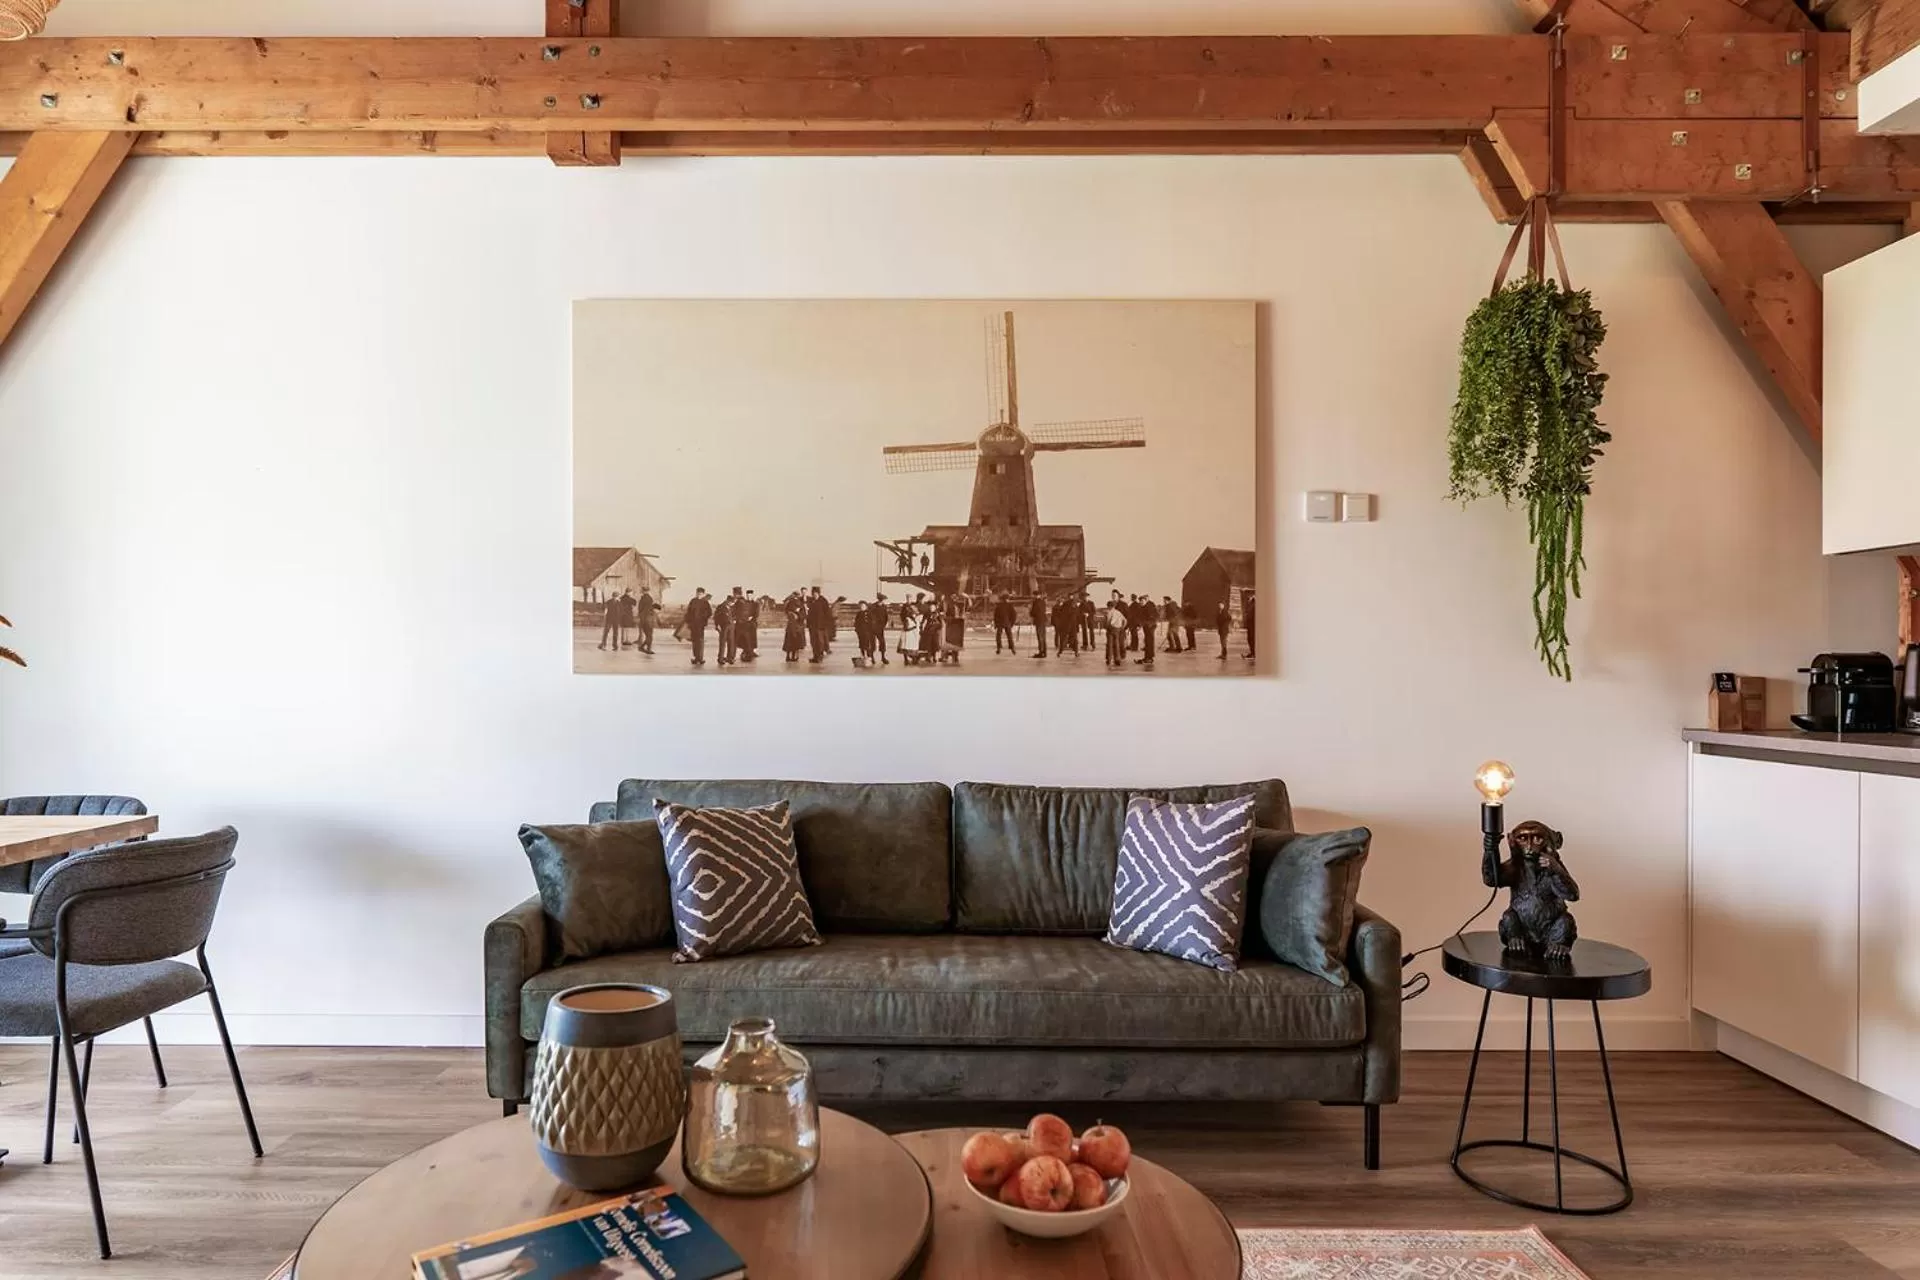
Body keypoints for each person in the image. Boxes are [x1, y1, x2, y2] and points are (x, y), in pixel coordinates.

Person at [684, 588, 713, 666]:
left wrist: (703, 617)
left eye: (700, 594)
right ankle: (696, 657)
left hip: (700, 624)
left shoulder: (705, 602)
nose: (698, 595)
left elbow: (709, 612)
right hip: (693, 624)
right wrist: (688, 621)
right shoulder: (693, 601)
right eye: (697, 593)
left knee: (700, 641)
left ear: (703, 594)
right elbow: (689, 611)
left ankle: (700, 658)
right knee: (694, 641)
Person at [806, 586, 832, 663]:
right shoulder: (811, 601)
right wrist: (808, 623)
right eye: (813, 593)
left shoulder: (823, 601)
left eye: (816, 593)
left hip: (821, 626)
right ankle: (815, 656)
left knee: (820, 642)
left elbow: (828, 613)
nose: (814, 595)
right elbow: (809, 613)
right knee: (813, 642)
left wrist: (826, 624)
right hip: (812, 626)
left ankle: (820, 656)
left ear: (819, 593)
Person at [732, 587, 758, 662]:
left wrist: (751, 618)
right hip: (745, 623)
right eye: (748, 595)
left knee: (746, 640)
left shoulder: (752, 603)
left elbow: (755, 613)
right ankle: (747, 653)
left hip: (747, 624)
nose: (749, 597)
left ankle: (747, 653)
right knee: (746, 640)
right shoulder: (744, 602)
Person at [1104, 593, 1128, 668]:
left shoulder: (1108, 612)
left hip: (1110, 629)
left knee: (1110, 644)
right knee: (1117, 644)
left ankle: (1109, 659)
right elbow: (1125, 620)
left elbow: (1107, 621)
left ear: (1108, 606)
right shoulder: (1118, 612)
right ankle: (1117, 659)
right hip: (1118, 630)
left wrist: (1106, 627)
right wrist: (1122, 627)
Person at [782, 592, 805, 662]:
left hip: (792, 625)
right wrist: (797, 614)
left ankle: (788, 656)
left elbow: (787, 611)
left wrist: (794, 613)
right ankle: (793, 656)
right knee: (795, 641)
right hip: (797, 625)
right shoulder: (799, 603)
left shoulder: (789, 602)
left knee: (789, 640)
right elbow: (803, 614)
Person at [713, 594, 735, 666]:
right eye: (731, 602)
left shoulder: (732, 607)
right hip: (723, 626)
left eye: (733, 603)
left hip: (731, 626)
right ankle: (720, 658)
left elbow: (734, 615)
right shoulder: (721, 607)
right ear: (727, 601)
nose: (732, 604)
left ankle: (730, 658)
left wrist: (734, 620)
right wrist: (717, 625)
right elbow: (716, 617)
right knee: (722, 643)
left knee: (731, 642)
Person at [635, 588, 658, 655]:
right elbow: (646, 610)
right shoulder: (649, 599)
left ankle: (643, 647)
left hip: (644, 619)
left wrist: (641, 618)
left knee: (649, 635)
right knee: (649, 635)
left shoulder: (643, 599)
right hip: (647, 619)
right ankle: (647, 649)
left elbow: (640, 610)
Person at [1029, 592, 1050, 659]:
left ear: (1035, 595)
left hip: (1038, 621)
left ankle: (1041, 652)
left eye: (1033, 595)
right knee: (1043, 637)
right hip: (1043, 620)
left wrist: (1030, 611)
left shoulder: (1035, 602)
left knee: (1040, 637)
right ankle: (1044, 652)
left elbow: (1033, 612)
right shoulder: (1043, 602)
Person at [872, 591, 890, 665]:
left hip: (880, 627)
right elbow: (870, 616)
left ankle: (883, 657)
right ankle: (872, 657)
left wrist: (885, 624)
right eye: (881, 600)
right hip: (873, 627)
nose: (882, 601)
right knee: (872, 643)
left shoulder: (884, 607)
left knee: (882, 642)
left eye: (882, 600)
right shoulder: (873, 606)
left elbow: (886, 616)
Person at [1244, 591, 1257, 661]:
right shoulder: (1249, 603)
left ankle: (1254, 653)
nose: (1248, 597)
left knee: (1252, 639)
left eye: (1250, 596)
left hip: (1253, 624)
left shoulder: (1255, 603)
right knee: (1249, 639)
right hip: (1249, 624)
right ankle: (1252, 652)